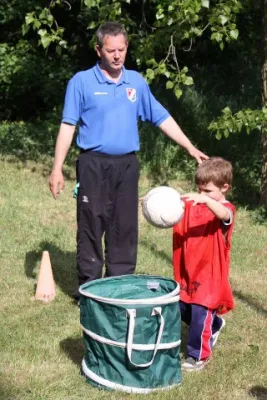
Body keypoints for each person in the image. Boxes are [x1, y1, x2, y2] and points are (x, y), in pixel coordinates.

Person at [49, 21, 208, 298]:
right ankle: (89, 288)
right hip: (93, 163)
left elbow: (161, 117)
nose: (117, 55)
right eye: (111, 50)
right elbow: (67, 126)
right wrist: (56, 169)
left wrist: (189, 147)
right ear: (99, 50)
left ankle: (119, 287)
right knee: (92, 223)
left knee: (124, 225)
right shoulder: (81, 82)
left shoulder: (135, 81)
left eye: (121, 49)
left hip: (127, 165)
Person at [173, 157, 235, 371]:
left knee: (200, 314)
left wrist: (208, 201)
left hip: (210, 274)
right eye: (199, 190)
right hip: (188, 270)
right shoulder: (196, 203)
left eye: (207, 191)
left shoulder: (226, 209)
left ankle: (198, 355)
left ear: (224, 187)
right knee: (181, 308)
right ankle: (215, 325)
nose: (202, 195)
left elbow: (225, 215)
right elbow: (174, 212)